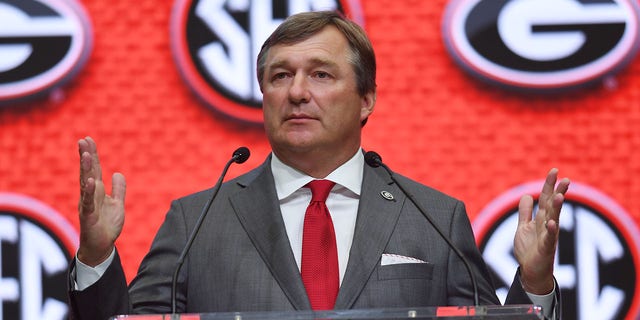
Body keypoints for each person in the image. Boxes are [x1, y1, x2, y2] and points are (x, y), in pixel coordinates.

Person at [68, 10, 570, 320]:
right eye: (281, 76)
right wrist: (95, 255)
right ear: (263, 95)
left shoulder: (435, 219)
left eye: (321, 74)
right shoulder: (198, 222)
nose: (297, 92)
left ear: (366, 99)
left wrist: (534, 284)